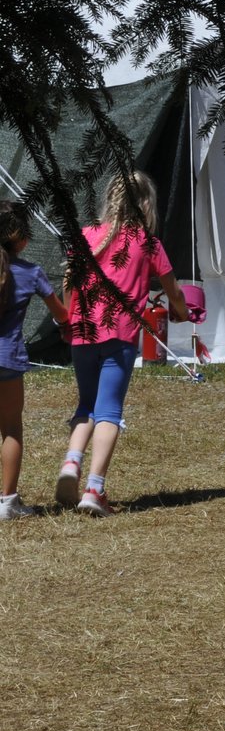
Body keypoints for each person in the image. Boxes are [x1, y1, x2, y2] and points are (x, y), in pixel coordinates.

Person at [55, 171, 191, 516]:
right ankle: (94, 489)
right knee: (109, 411)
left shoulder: (87, 235)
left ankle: (71, 464)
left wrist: (68, 320)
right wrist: (182, 313)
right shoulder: (147, 242)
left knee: (86, 404)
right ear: (146, 204)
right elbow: (174, 291)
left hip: (83, 331)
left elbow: (69, 281)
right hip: (120, 335)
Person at [0, 203, 69, 520]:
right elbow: (62, 315)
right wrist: (69, 286)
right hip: (8, 360)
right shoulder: (31, 272)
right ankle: (7, 502)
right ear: (23, 238)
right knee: (11, 429)